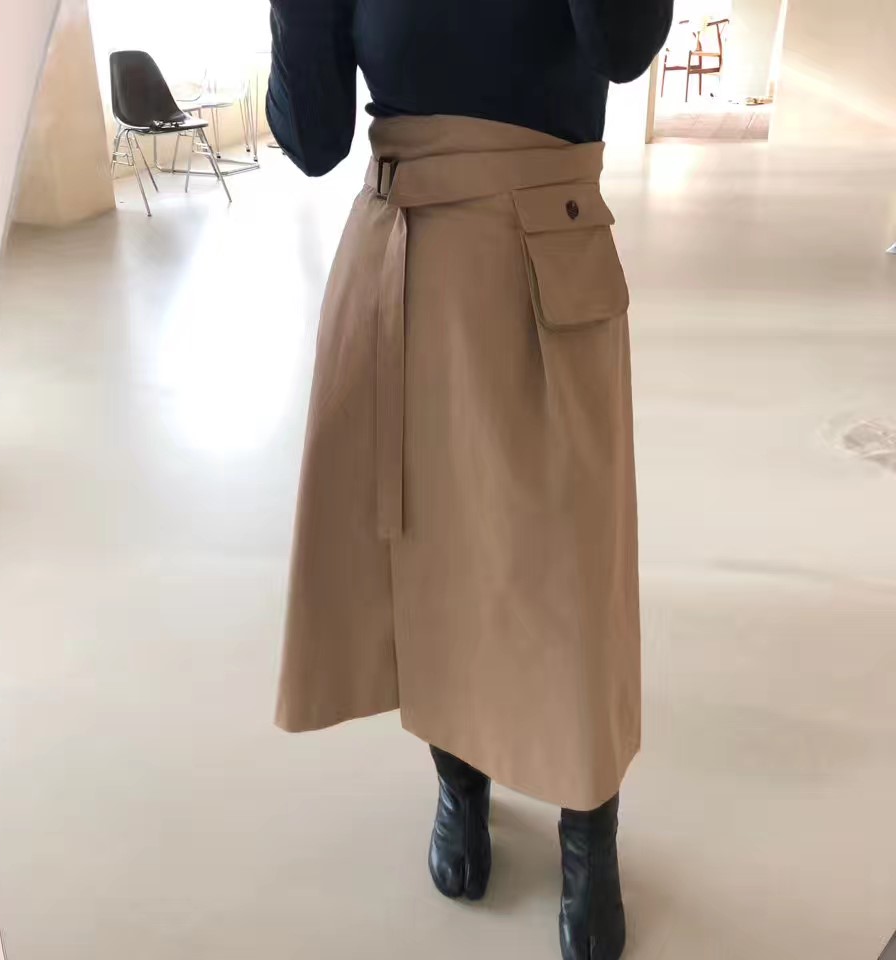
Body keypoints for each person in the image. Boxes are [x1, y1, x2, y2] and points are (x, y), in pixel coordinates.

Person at [266, 3, 672, 958]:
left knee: (572, 577)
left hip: (545, 254)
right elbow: (314, 138)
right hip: (400, 264)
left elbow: (623, 47)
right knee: (431, 556)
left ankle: (589, 829)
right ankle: (459, 780)